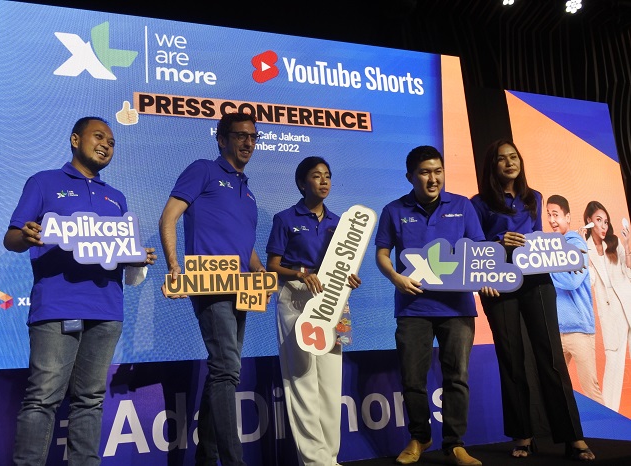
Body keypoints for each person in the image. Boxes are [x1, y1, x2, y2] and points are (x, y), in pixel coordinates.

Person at [5, 117, 157, 466]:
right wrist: (26, 235)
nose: (106, 145)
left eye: (112, 142)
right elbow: (12, 237)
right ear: (75, 140)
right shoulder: (44, 183)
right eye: (98, 136)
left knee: (90, 399)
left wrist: (137, 256)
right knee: (43, 398)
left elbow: (119, 251)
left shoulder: (116, 198)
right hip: (57, 306)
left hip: (106, 310)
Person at [470, 139, 594, 461]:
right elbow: (473, 246)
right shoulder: (478, 203)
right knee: (512, 359)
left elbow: (539, 240)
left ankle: (573, 436)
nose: (510, 162)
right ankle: (523, 435)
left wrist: (564, 257)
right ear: (492, 166)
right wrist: (499, 242)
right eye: (502, 159)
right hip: (499, 284)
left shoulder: (533, 197)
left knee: (551, 357)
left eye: (514, 157)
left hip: (536, 281)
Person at [159, 111, 266, 466]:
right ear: (221, 140)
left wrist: (259, 271)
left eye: (253, 136)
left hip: (243, 289)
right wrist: (174, 264)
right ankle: (233, 461)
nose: (248, 142)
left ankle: (206, 458)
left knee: (222, 371)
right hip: (209, 284)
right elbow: (169, 215)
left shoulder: (248, 192)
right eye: (240, 135)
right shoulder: (203, 170)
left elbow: (244, 244)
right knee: (226, 370)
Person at [374, 145, 484, 466]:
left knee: (456, 377)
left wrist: (484, 275)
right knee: (412, 378)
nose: (433, 178)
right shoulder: (394, 210)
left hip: (457, 307)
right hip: (413, 308)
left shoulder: (462, 206)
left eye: (438, 171)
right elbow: (382, 254)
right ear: (410, 176)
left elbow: (479, 250)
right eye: (424, 172)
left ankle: (455, 444)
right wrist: (395, 277)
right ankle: (420, 437)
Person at [265, 156, 359, 466]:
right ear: (301, 183)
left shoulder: (340, 224)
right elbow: (272, 266)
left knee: (331, 383)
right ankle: (315, 461)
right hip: (295, 299)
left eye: (327, 175)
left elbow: (344, 265)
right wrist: (300, 273)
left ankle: (331, 457)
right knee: (303, 381)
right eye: (316, 176)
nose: (324, 181)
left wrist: (350, 279)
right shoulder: (285, 219)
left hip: (333, 301)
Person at [545, 195, 604, 404]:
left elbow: (572, 281)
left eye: (556, 214)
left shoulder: (577, 243)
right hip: (557, 331)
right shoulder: (551, 246)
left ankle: (607, 426)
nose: (552, 220)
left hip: (579, 330)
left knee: (590, 389)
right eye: (548, 215)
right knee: (554, 388)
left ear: (567, 217)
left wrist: (546, 269)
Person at [583, 200, 631, 412]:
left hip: (628, 303)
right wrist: (580, 249)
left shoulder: (615, 242)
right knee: (614, 363)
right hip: (610, 312)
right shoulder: (585, 248)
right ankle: (609, 413)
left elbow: (628, 274)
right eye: (598, 220)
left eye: (606, 221)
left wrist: (627, 247)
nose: (603, 226)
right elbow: (590, 281)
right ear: (589, 221)